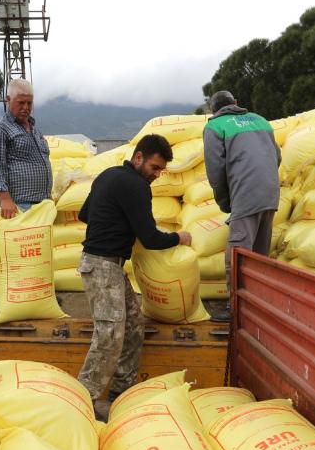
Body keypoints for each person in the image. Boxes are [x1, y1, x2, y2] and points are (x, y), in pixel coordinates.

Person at [76, 134, 192, 420]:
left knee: (133, 325)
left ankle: (121, 394)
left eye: (160, 170)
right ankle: (82, 400)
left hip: (107, 266)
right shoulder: (137, 186)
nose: (156, 175)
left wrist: (115, 219)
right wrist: (180, 237)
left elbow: (84, 214)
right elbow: (150, 238)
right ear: (138, 157)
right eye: (154, 168)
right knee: (110, 334)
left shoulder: (108, 176)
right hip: (102, 265)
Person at [202, 90, 281, 321]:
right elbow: (276, 157)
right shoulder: (261, 121)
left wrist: (226, 202)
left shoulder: (215, 127)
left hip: (246, 194)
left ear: (214, 110)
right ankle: (257, 305)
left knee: (236, 254)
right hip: (270, 193)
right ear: (236, 103)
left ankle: (236, 308)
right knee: (259, 254)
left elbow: (215, 170)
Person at [0, 78, 52, 218]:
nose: (26, 107)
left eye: (29, 103)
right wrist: (5, 199)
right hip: (18, 205)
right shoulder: (0, 128)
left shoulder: (34, 129)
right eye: (21, 103)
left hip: (43, 203)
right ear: (8, 100)